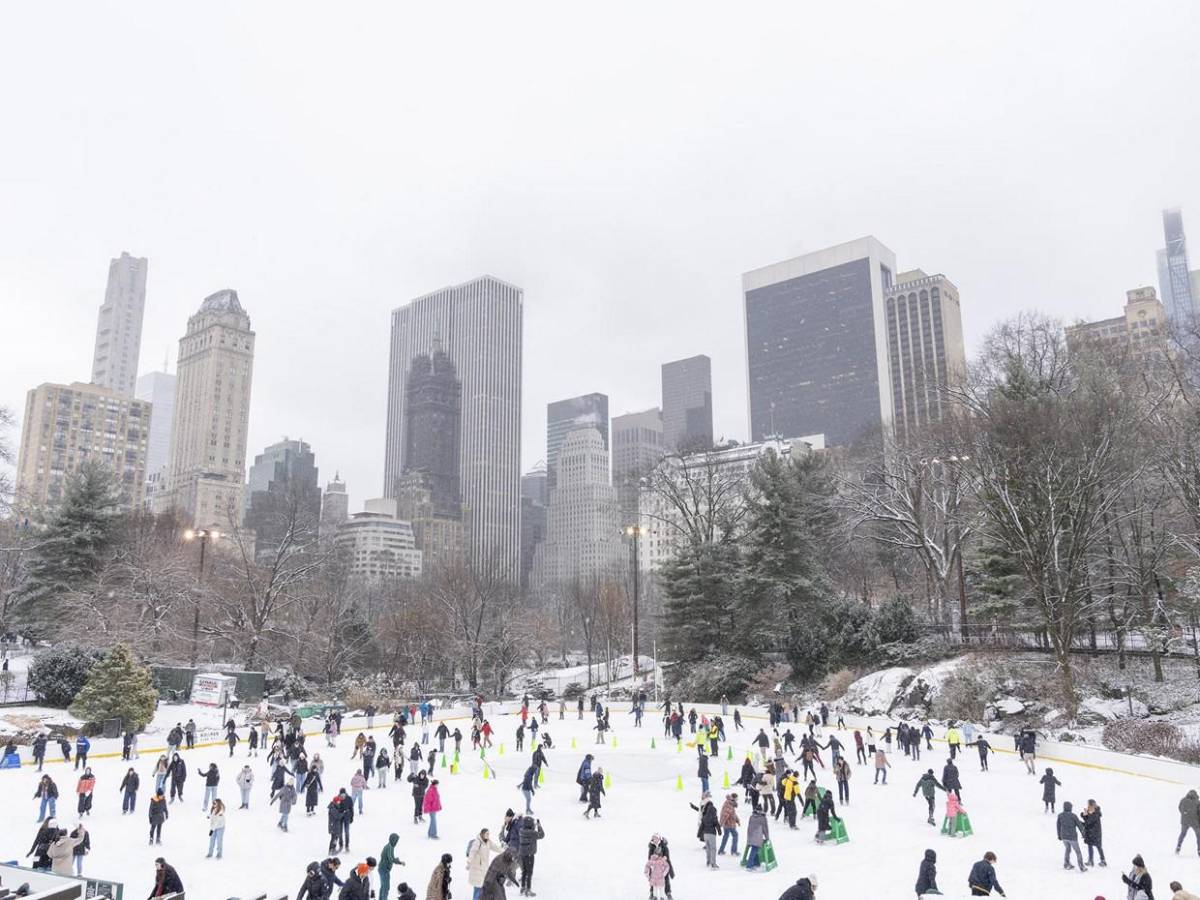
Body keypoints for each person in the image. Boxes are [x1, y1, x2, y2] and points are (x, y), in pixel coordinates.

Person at [467, 828, 503, 900]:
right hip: (477, 868)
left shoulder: (488, 842)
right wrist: (469, 862)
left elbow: (495, 847)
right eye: (487, 834)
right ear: (482, 834)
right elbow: (472, 852)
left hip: (484, 868)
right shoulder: (477, 842)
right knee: (478, 887)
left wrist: (503, 851)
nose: (488, 835)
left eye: (488, 834)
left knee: (480, 887)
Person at [517, 815, 544, 896]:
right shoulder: (532, 833)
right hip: (529, 855)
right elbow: (542, 835)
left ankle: (522, 888)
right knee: (529, 872)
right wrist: (539, 826)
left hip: (522, 854)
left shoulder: (521, 831)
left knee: (524, 871)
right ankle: (528, 889)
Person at [1056, 801, 1086, 871]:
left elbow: (1058, 826)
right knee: (1078, 852)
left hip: (1064, 837)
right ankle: (1081, 866)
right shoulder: (1073, 816)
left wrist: (1059, 835)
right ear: (1070, 808)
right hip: (1072, 837)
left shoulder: (1060, 815)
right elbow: (1080, 826)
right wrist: (1083, 834)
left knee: (1067, 849)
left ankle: (1066, 864)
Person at [1082, 799, 1106, 867]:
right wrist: (1085, 814)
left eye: (1089, 805)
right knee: (1090, 846)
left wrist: (1086, 815)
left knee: (1098, 846)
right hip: (1090, 832)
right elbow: (1088, 820)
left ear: (1092, 805)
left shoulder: (1096, 813)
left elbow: (1089, 821)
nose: (1088, 806)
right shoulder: (1092, 812)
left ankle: (1103, 860)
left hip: (1095, 833)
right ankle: (1090, 860)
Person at [746, 804, 769, 870]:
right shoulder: (762, 818)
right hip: (757, 835)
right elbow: (765, 829)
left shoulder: (752, 816)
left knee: (755, 848)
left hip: (750, 834)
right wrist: (767, 837)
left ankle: (756, 862)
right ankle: (749, 865)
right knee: (755, 848)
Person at [1180, 790, 1200, 855]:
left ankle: (1178, 846)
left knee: (1182, 834)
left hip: (1185, 822)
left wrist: (1185, 815)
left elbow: (1180, 808)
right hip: (1195, 822)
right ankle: (1199, 850)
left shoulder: (1183, 800)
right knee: (1198, 836)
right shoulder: (1197, 802)